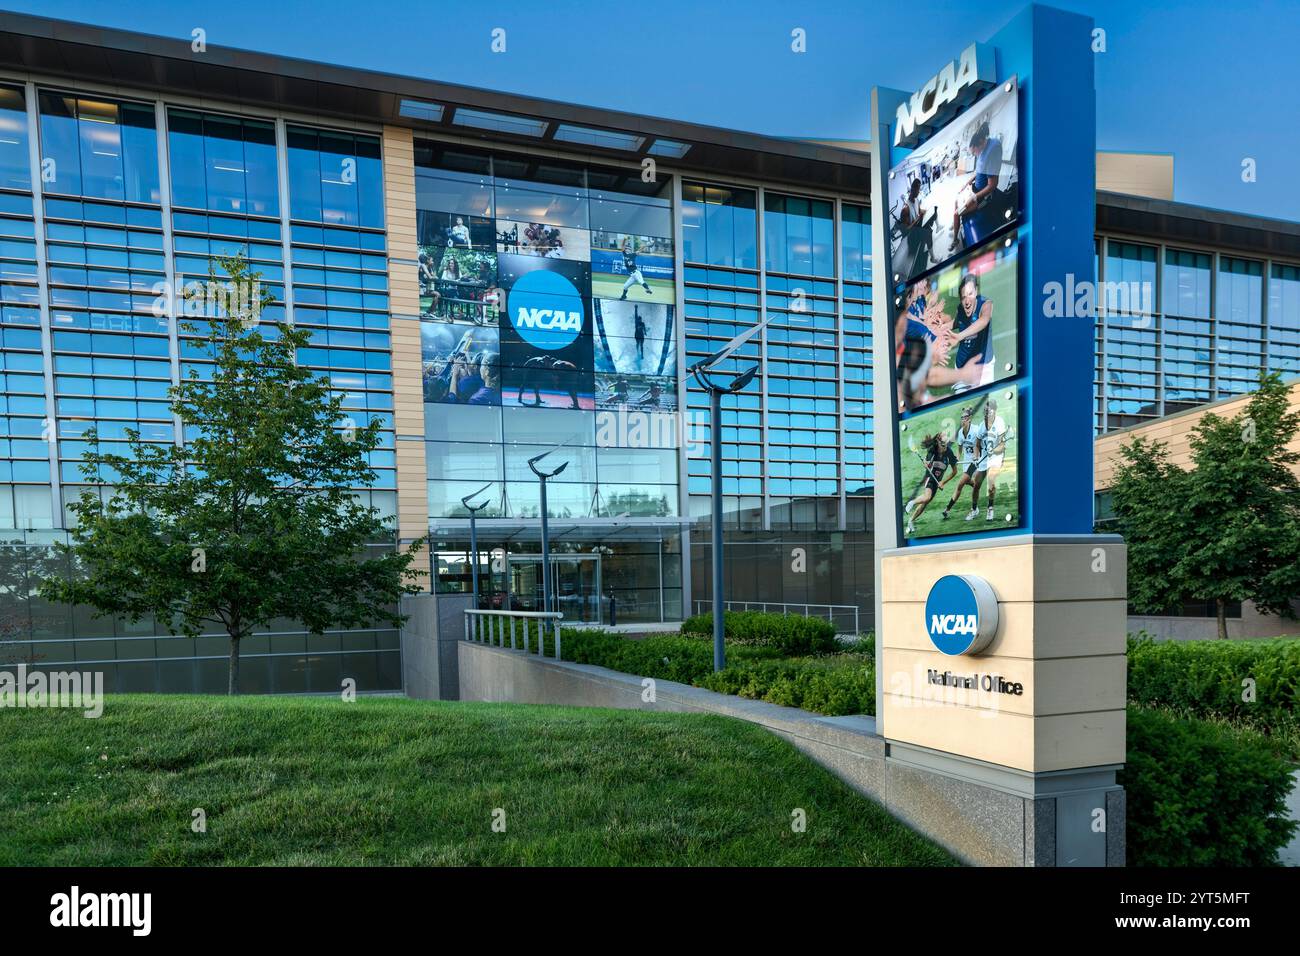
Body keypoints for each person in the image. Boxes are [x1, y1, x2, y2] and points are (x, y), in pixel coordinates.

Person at [950, 121, 1004, 254]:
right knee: (956, 200)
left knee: (956, 213)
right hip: (974, 188)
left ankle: (955, 239)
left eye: (974, 151)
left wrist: (974, 197)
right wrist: (966, 184)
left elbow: (993, 185)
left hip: (982, 196)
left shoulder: (993, 149)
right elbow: (977, 172)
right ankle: (956, 223)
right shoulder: (982, 151)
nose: (974, 154)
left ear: (980, 142)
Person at [904, 432, 957, 536]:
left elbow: (955, 472)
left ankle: (911, 521)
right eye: (943, 441)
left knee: (925, 503)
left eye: (946, 441)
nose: (945, 444)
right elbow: (927, 464)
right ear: (938, 441)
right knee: (927, 497)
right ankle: (911, 502)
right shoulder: (932, 450)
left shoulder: (949, 453)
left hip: (938, 481)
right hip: (930, 477)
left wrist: (943, 482)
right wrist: (926, 463)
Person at [948, 273, 994, 392]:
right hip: (962, 368)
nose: (967, 301)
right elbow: (955, 323)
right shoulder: (961, 309)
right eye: (963, 297)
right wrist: (936, 327)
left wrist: (960, 336)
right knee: (963, 408)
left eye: (970, 294)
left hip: (983, 367)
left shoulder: (986, 304)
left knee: (986, 407)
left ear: (976, 292)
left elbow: (984, 321)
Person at [970, 397, 1011, 522]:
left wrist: (993, 451)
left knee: (991, 480)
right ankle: (974, 509)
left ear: (994, 411)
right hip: (984, 457)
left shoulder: (1000, 423)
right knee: (976, 484)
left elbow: (1002, 446)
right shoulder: (982, 426)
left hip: (996, 456)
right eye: (985, 411)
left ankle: (990, 508)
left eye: (988, 411)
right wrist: (975, 456)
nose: (986, 413)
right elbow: (976, 445)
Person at [941, 406, 980, 520]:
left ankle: (948, 509)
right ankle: (977, 488)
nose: (963, 420)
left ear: (970, 419)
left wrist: (976, 456)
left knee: (960, 484)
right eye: (962, 418)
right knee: (971, 484)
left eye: (965, 418)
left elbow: (982, 444)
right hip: (967, 463)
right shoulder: (961, 433)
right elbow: (959, 450)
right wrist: (957, 458)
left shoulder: (976, 430)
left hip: (975, 462)